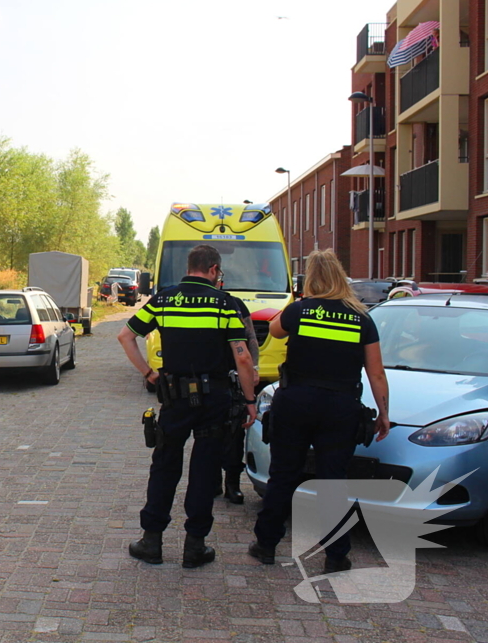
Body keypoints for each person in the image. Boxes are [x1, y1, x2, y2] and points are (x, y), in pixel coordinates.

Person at [248, 249, 391, 574]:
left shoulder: (299, 310)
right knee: (333, 481)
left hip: (295, 402)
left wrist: (301, 301)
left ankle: (266, 545)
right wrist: (383, 413)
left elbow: (274, 329)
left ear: (310, 279)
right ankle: (336, 555)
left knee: (283, 475)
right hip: (340, 407)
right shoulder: (362, 318)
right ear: (341, 277)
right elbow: (376, 373)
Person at [118, 244, 258, 569]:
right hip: (214, 401)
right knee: (205, 471)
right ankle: (195, 546)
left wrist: (149, 374)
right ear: (214, 269)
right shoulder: (224, 303)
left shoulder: (164, 299)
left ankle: (151, 541)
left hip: (175, 399)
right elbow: (242, 356)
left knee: (165, 466)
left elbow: (125, 336)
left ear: (189, 267)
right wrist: (250, 400)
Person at [215, 287, 259, 505]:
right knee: (210, 434)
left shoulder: (235, 304)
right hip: (211, 378)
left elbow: (250, 337)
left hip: (234, 378)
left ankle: (232, 484)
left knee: (235, 431)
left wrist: (254, 368)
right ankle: (213, 480)